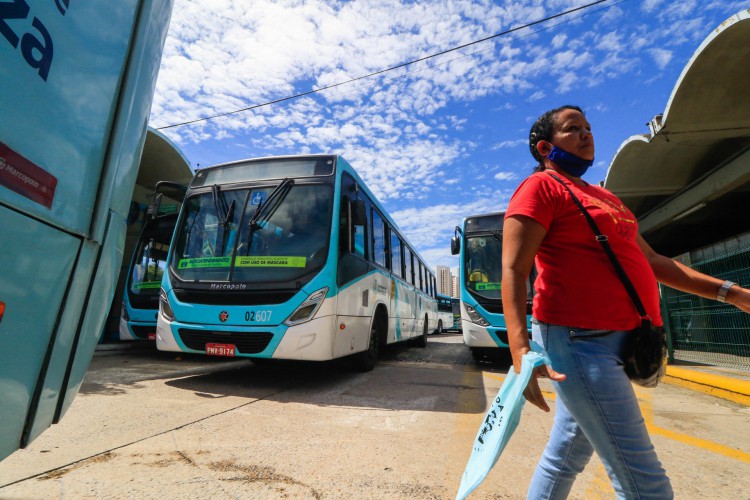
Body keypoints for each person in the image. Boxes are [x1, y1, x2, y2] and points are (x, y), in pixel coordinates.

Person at [501, 104, 750, 499]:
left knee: (564, 455)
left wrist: (732, 293)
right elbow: (514, 270)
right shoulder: (540, 188)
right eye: (573, 129)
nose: (587, 134)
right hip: (580, 340)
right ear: (546, 147)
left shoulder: (605, 197)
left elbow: (652, 261)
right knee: (643, 479)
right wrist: (519, 349)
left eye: (588, 127)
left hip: (624, 338)